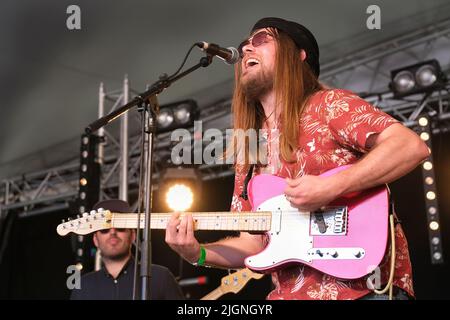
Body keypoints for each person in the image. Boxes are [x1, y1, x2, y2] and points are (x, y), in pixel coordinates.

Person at [165, 17, 430, 300]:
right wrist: (198, 253)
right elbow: (252, 243)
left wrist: (332, 186)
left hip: (364, 289)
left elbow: (409, 146)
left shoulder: (328, 105)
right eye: (244, 46)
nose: (246, 50)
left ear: (298, 54)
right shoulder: (250, 147)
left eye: (261, 40)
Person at [70, 199, 184, 300]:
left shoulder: (161, 277)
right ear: (95, 239)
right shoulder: (83, 286)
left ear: (133, 235)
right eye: (104, 229)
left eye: (120, 227)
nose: (113, 232)